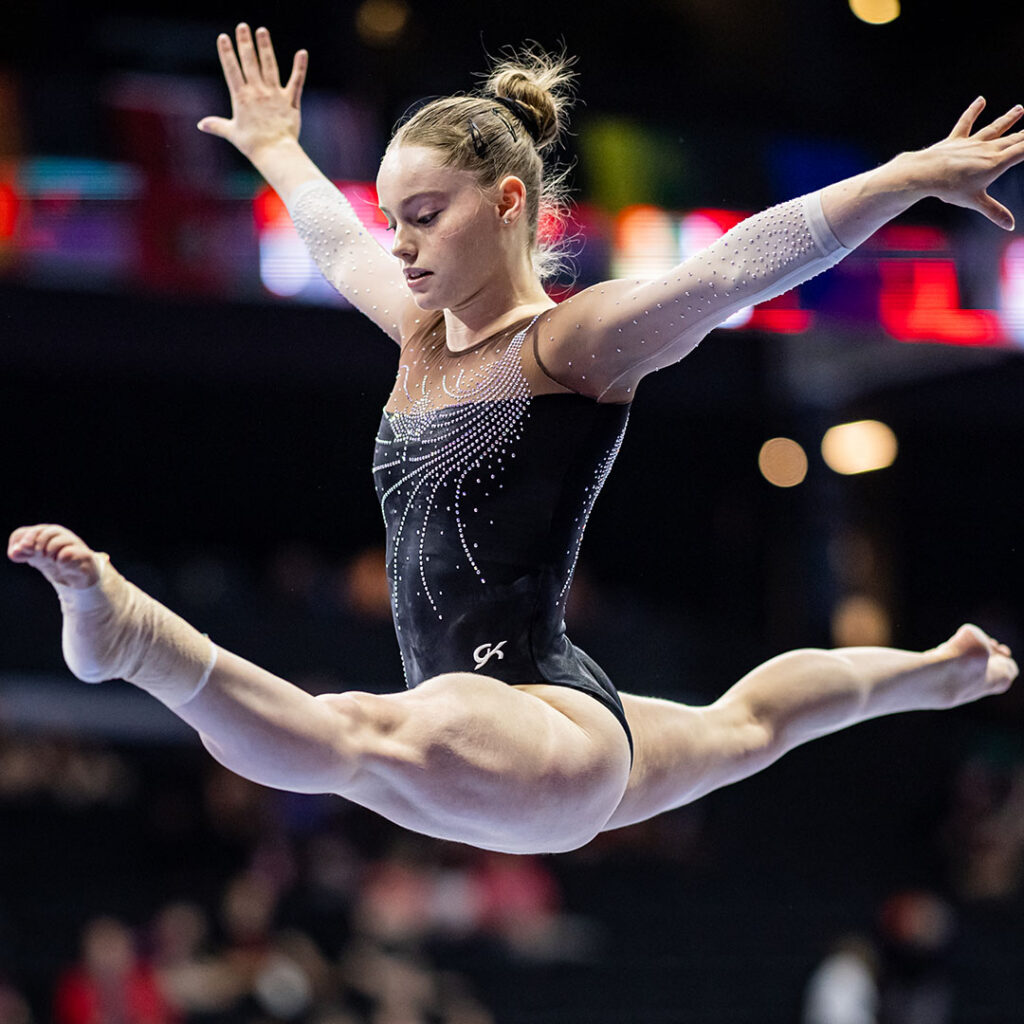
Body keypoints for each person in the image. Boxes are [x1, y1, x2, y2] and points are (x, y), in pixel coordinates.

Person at [7, 25, 1020, 856]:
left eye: (424, 216)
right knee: (744, 725)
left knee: (350, 731)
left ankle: (134, 638)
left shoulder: (569, 345)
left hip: (536, 728)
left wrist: (902, 175)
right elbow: (333, 237)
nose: (397, 243)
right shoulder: (415, 331)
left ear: (503, 208)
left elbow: (731, 271)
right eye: (395, 217)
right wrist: (276, 144)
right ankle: (932, 673)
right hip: (486, 748)